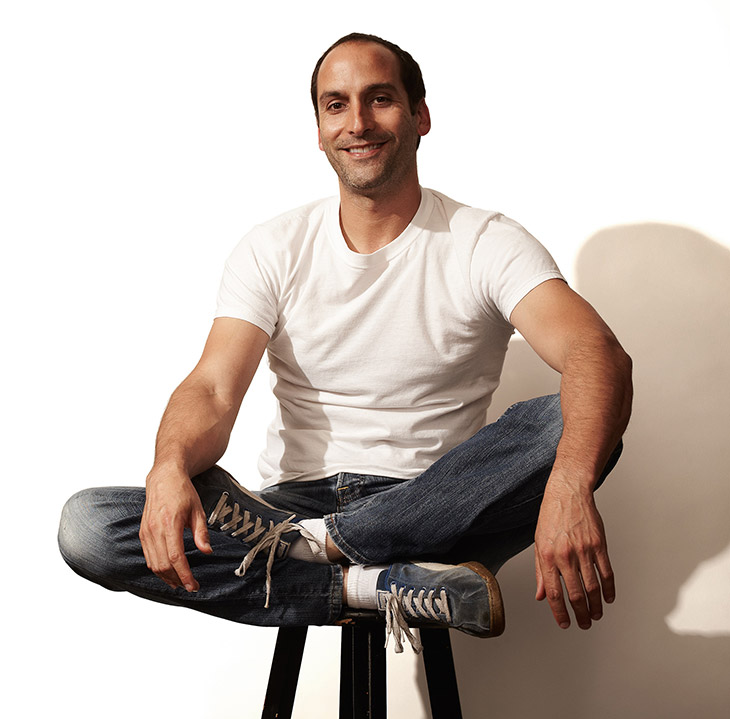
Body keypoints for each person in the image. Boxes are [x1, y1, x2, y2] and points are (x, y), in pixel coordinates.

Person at [59, 33, 632, 653]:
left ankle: (319, 546)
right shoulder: (274, 247)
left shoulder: (484, 241)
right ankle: (371, 584)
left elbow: (596, 353)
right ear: (319, 126)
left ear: (421, 115)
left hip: (432, 502)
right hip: (289, 501)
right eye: (336, 105)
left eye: (380, 99)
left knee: (567, 420)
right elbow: (213, 388)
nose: (357, 122)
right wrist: (168, 466)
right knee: (89, 526)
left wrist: (570, 484)